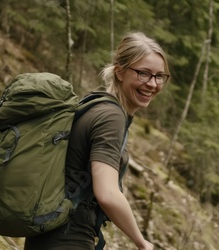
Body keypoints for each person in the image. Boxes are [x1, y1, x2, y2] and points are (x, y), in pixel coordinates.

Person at [24, 32, 170, 250]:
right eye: (143, 74)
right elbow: (108, 194)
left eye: (159, 76)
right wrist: (142, 242)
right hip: (67, 237)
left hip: (48, 233)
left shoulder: (94, 104)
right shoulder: (111, 118)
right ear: (119, 72)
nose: (152, 84)